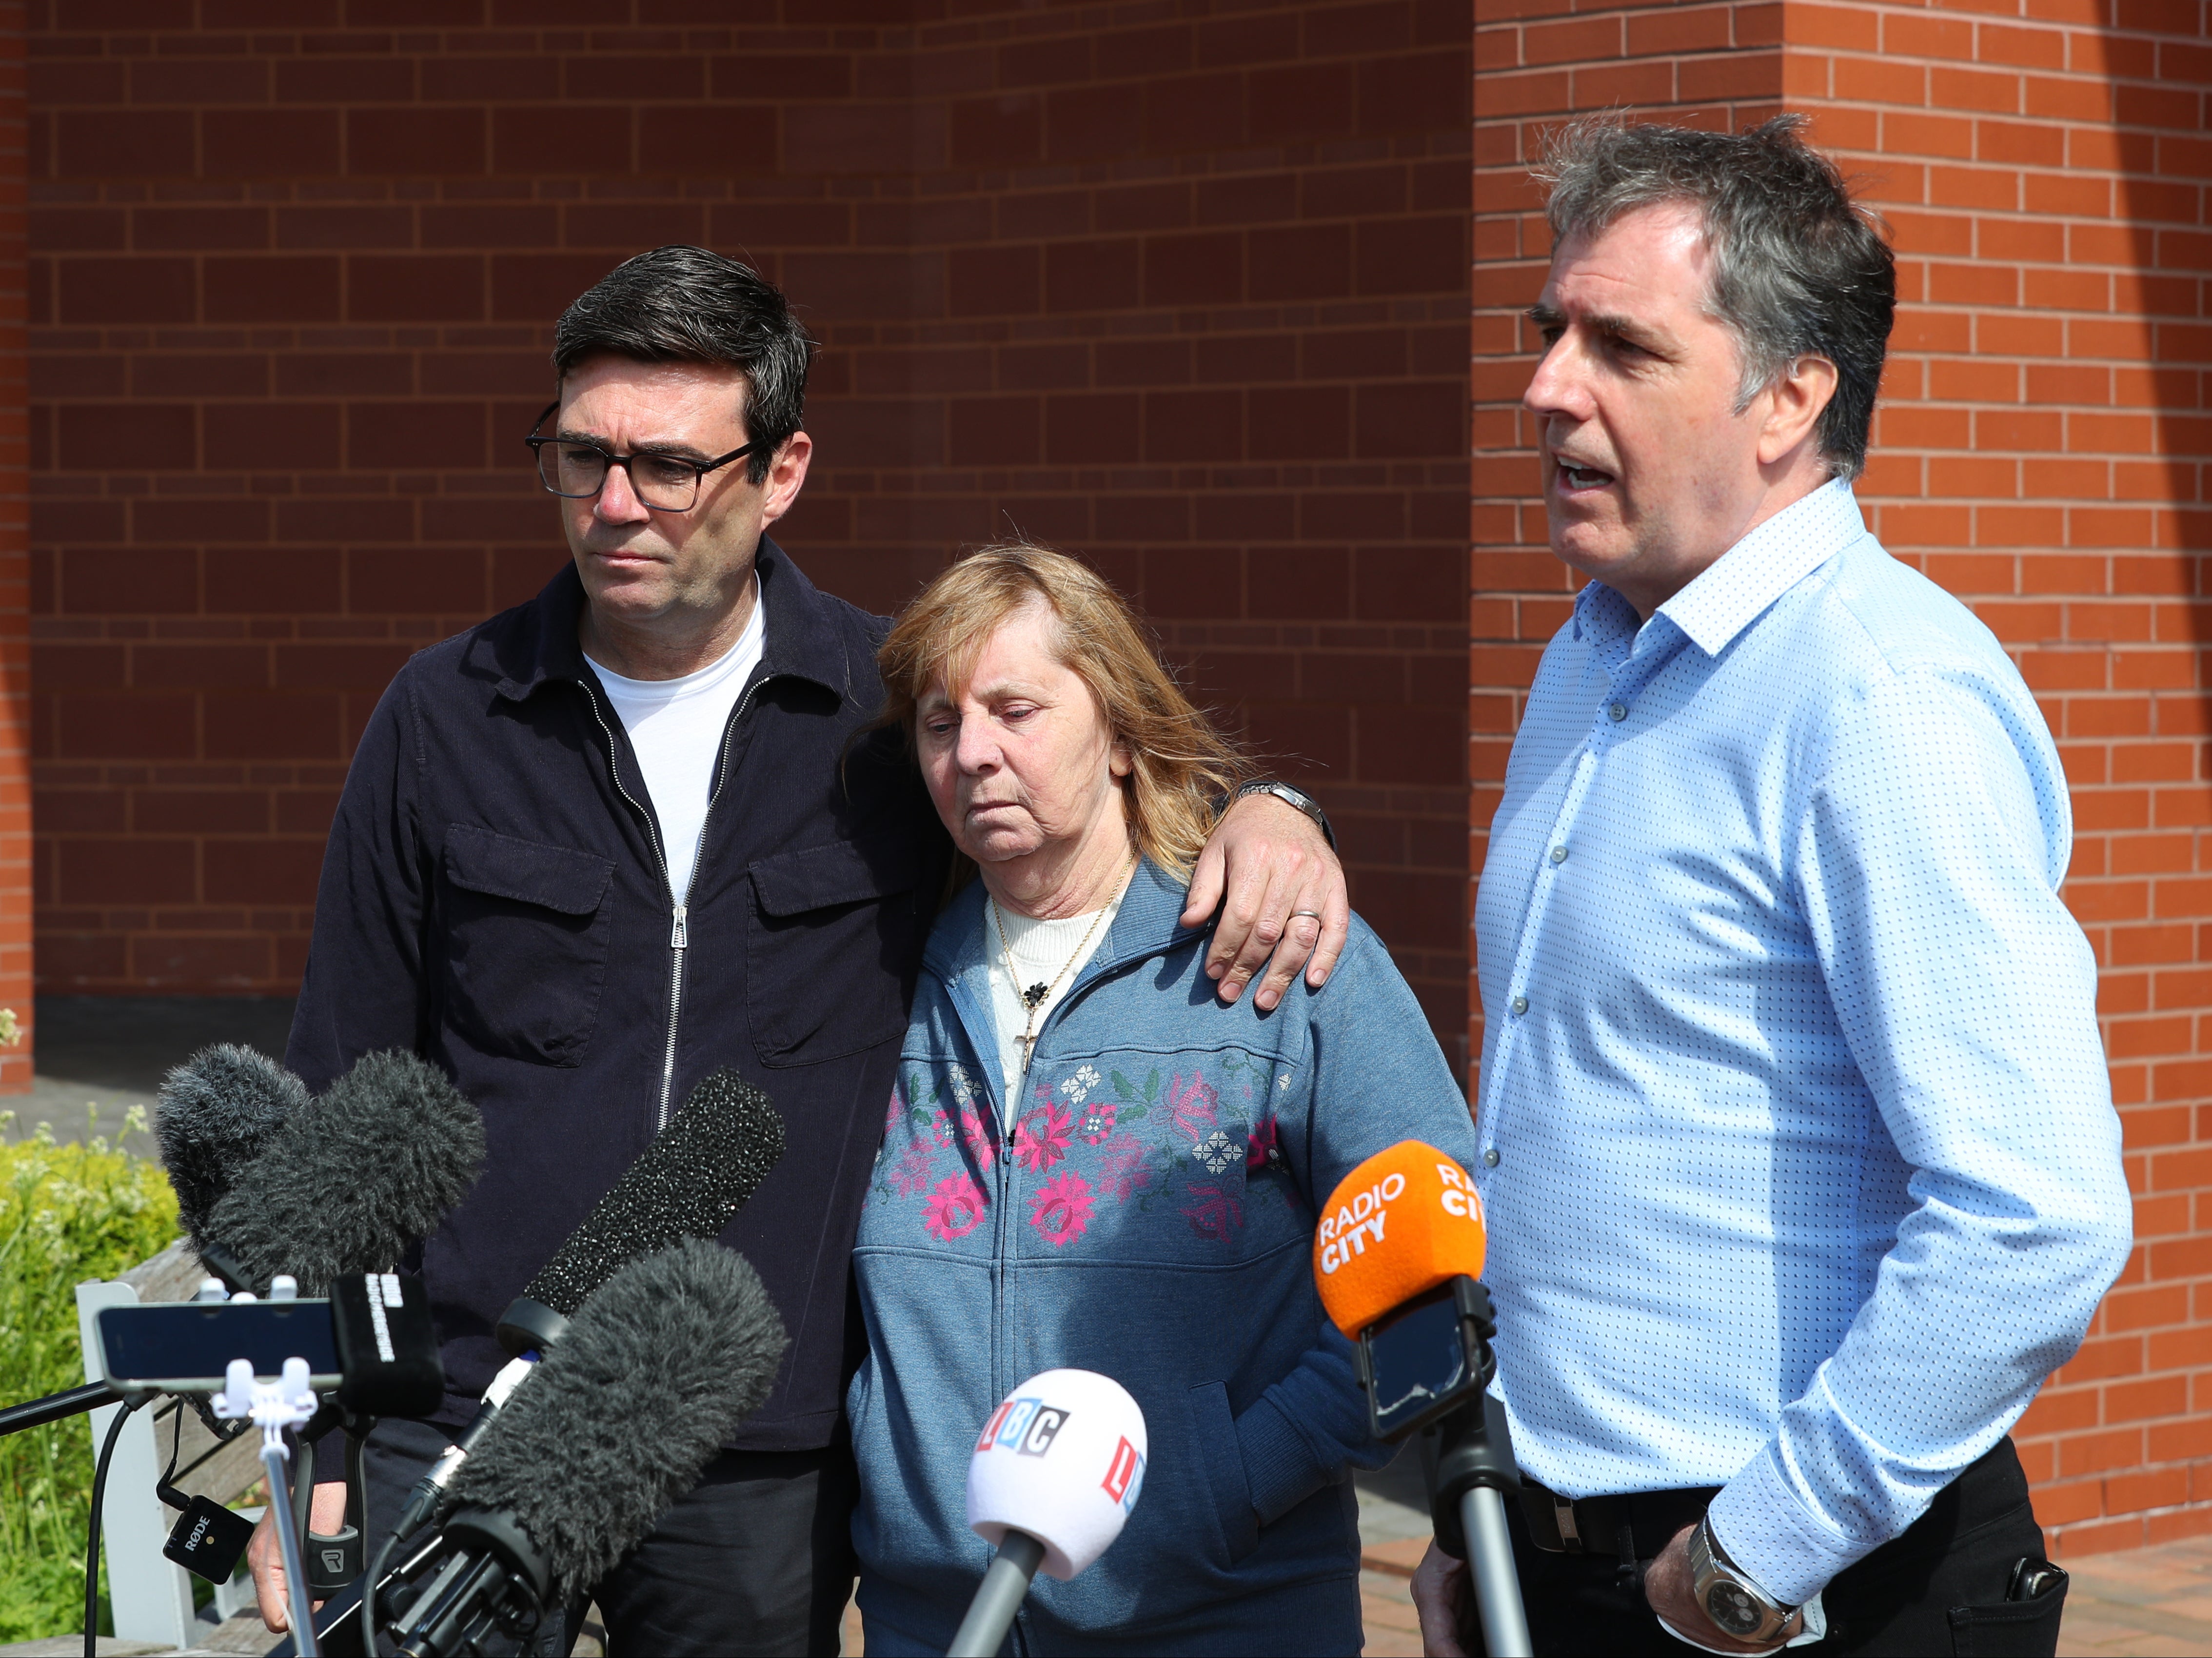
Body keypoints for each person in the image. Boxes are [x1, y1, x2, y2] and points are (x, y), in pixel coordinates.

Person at [244, 245, 1352, 1654]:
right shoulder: (445, 717)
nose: (615, 503)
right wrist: (316, 1440)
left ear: (782, 472)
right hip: (467, 1414)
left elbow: (1094, 812)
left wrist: (1279, 810)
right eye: (581, 457)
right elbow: (342, 1094)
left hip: (755, 1442)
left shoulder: (897, 730)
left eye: (666, 465)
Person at [1412, 118, 2132, 1656]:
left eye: (1621, 345)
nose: (1545, 386)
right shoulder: (1596, 652)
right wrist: (1498, 1522)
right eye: (1550, 334)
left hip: (1807, 1592)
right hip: (1575, 1557)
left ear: (1791, 397)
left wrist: (1761, 1551)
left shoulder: (1879, 701)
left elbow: (2036, 1219)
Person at [848, 544, 1481, 1655]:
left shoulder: (1274, 958)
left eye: (1016, 708)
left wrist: (1229, 1477)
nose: (974, 753)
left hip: (1223, 1614)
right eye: (941, 722)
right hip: (931, 1623)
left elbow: (1446, 1248)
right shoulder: (877, 975)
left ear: (1125, 735)